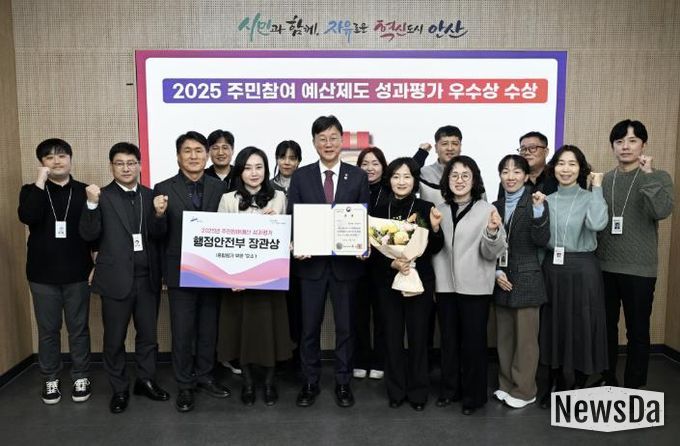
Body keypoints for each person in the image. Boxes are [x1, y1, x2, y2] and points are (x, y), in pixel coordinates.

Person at [79, 142, 169, 413]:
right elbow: (88, 234)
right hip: (115, 279)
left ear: (140, 165)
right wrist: (91, 205)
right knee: (114, 339)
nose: (126, 168)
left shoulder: (152, 195)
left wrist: (160, 214)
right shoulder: (101, 196)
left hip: (147, 279)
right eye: (120, 163)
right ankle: (119, 389)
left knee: (148, 336)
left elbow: (159, 235)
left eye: (131, 163)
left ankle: (145, 380)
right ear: (112, 167)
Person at [287, 115, 370, 408]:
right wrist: (295, 243)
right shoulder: (301, 176)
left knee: (346, 328)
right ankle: (309, 381)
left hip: (346, 267)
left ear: (342, 140)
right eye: (322, 138)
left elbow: (363, 218)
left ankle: (343, 382)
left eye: (333, 137)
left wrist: (363, 245)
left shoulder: (357, 176)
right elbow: (293, 216)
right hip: (310, 266)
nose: (328, 143)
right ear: (314, 143)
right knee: (309, 328)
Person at [152, 131, 230, 412]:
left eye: (199, 150)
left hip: (212, 270)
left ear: (207, 155)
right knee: (183, 331)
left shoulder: (220, 188)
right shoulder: (163, 187)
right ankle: (185, 385)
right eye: (187, 151)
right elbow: (157, 235)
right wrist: (158, 215)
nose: (194, 156)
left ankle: (205, 376)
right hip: (179, 271)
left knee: (209, 329)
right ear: (178, 156)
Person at [595, 120, 673, 389]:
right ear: (613, 146)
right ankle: (607, 378)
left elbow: (661, 211)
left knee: (637, 330)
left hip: (640, 269)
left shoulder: (658, 177)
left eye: (632, 141)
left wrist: (648, 174)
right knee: (605, 328)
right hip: (604, 267)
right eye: (619, 141)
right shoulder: (604, 180)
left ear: (643, 145)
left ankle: (634, 387)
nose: (625, 147)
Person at [18, 138, 93, 405]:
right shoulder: (31, 191)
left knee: (78, 329)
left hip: (78, 273)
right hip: (42, 275)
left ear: (71, 159)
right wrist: (40, 181)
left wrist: (96, 265)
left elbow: (95, 232)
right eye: (49, 157)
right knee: (48, 330)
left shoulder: (84, 191)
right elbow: (28, 217)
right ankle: (50, 378)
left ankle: (81, 375)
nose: (56, 161)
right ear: (42, 163)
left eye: (61, 155)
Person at [217, 146, 292, 406]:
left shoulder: (279, 197)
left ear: (266, 169)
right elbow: (221, 241)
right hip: (238, 282)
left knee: (270, 332)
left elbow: (286, 237)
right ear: (240, 171)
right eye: (248, 168)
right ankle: (248, 384)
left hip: (270, 279)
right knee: (242, 333)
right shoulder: (228, 199)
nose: (254, 173)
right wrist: (230, 279)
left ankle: (269, 383)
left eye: (259, 167)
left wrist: (276, 223)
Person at [432, 155, 506, 415]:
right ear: (447, 180)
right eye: (454, 175)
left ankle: (473, 397)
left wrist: (493, 232)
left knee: (473, 344)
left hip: (475, 287)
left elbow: (491, 252)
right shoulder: (439, 209)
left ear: (474, 180)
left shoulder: (487, 210)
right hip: (445, 286)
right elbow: (434, 247)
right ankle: (449, 390)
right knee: (448, 341)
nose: (460, 180)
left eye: (466, 175)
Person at [538, 145, 608, 408]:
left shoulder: (590, 197)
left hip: (582, 270)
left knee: (581, 326)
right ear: (553, 168)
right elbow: (539, 239)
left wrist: (597, 188)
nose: (565, 169)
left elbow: (597, 224)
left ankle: (578, 384)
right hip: (552, 270)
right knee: (553, 326)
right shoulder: (546, 199)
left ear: (581, 169)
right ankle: (554, 382)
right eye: (561, 163)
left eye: (572, 164)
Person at [372, 158, 443, 410]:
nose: (401, 182)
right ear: (389, 180)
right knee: (392, 338)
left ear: (414, 180)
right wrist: (392, 264)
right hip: (388, 282)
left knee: (418, 337)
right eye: (396, 176)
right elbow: (373, 251)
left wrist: (435, 229)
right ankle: (395, 390)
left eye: (406, 177)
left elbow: (436, 248)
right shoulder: (379, 210)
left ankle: (418, 392)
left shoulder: (426, 207)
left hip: (419, 280)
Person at [353, 146, 430, 380]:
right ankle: (363, 360)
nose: (370, 168)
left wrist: (422, 152)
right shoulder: (354, 189)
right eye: (364, 163)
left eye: (375, 163)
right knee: (360, 317)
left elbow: (407, 169)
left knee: (387, 321)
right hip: (360, 265)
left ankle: (381, 361)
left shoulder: (399, 197)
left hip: (396, 271)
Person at [492, 155, 549, 409]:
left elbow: (541, 240)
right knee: (504, 338)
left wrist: (538, 212)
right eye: (505, 171)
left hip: (527, 279)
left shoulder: (536, 201)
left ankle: (525, 390)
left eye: (516, 172)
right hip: (501, 278)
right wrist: (496, 272)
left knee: (526, 340)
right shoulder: (495, 205)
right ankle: (506, 385)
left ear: (526, 176)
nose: (510, 176)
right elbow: (491, 244)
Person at [270, 140, 303, 373]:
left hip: (301, 257)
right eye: (283, 157)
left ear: (299, 161)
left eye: (292, 158)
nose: (287, 162)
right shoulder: (267, 186)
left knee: (298, 310)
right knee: (277, 309)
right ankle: (279, 357)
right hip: (274, 258)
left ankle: (297, 359)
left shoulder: (307, 183)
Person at [496, 131, 558, 199]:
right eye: (523, 149)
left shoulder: (556, 177)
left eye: (532, 148)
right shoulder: (511, 180)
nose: (527, 152)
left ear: (546, 152)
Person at [419, 125, 463, 206]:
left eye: (455, 144)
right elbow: (405, 175)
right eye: (444, 144)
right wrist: (421, 154)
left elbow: (483, 206)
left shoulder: (471, 173)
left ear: (460, 147)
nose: (450, 148)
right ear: (436, 148)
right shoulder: (424, 173)